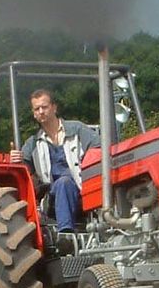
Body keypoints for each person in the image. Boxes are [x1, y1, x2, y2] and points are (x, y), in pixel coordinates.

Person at [10, 89, 100, 232]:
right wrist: (16, 161)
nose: (41, 111)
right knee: (64, 183)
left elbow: (100, 149)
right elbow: (23, 172)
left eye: (44, 107)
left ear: (54, 107)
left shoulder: (77, 130)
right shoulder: (33, 143)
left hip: (84, 190)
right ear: (34, 113)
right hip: (53, 198)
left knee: (68, 181)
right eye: (37, 109)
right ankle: (66, 234)